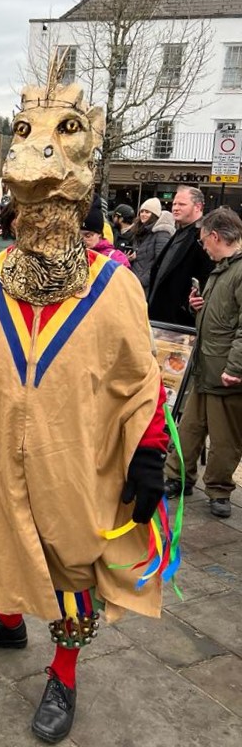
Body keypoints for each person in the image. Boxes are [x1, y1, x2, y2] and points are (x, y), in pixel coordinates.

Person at [0, 81, 168, 745]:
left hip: (71, 459)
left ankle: (63, 671)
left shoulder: (117, 289)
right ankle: (5, 621)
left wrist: (148, 454)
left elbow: (142, 378)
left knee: (67, 560)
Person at [164, 208, 242, 518]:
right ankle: (177, 477)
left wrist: (235, 368)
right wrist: (199, 306)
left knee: (224, 438)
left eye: (203, 240)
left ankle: (219, 490)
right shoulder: (222, 269)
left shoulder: (236, 271)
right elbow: (220, 317)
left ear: (215, 236)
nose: (203, 247)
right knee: (190, 429)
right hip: (205, 366)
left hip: (225, 372)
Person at [148, 185, 213, 327]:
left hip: (179, 324)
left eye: (182, 204)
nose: (175, 208)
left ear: (198, 207)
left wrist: (186, 307)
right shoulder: (179, 232)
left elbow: (206, 278)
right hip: (159, 318)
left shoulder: (202, 236)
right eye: (174, 204)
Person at [129, 198, 175, 295]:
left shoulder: (162, 233)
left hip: (146, 286)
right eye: (142, 211)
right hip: (135, 281)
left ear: (154, 215)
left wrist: (142, 281)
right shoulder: (140, 231)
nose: (143, 214)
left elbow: (161, 262)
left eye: (147, 212)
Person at [80, 202, 131, 268]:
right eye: (77, 236)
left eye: (88, 236)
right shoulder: (70, 257)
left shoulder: (115, 259)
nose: (82, 240)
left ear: (100, 234)